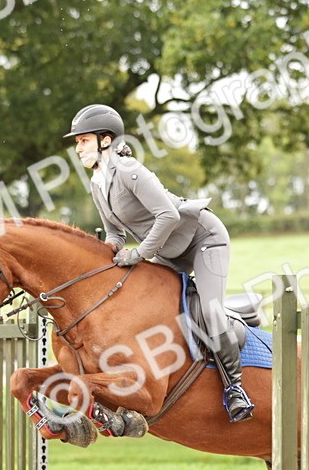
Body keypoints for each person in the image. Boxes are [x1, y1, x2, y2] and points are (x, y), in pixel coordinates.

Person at [65, 104, 254, 422]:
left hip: (202, 240)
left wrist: (140, 255)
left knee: (209, 311)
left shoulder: (130, 171)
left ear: (106, 140)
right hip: (168, 251)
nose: (78, 147)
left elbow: (169, 214)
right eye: (77, 142)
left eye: (83, 140)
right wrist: (108, 251)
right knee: (145, 306)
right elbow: (115, 231)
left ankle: (236, 390)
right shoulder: (97, 183)